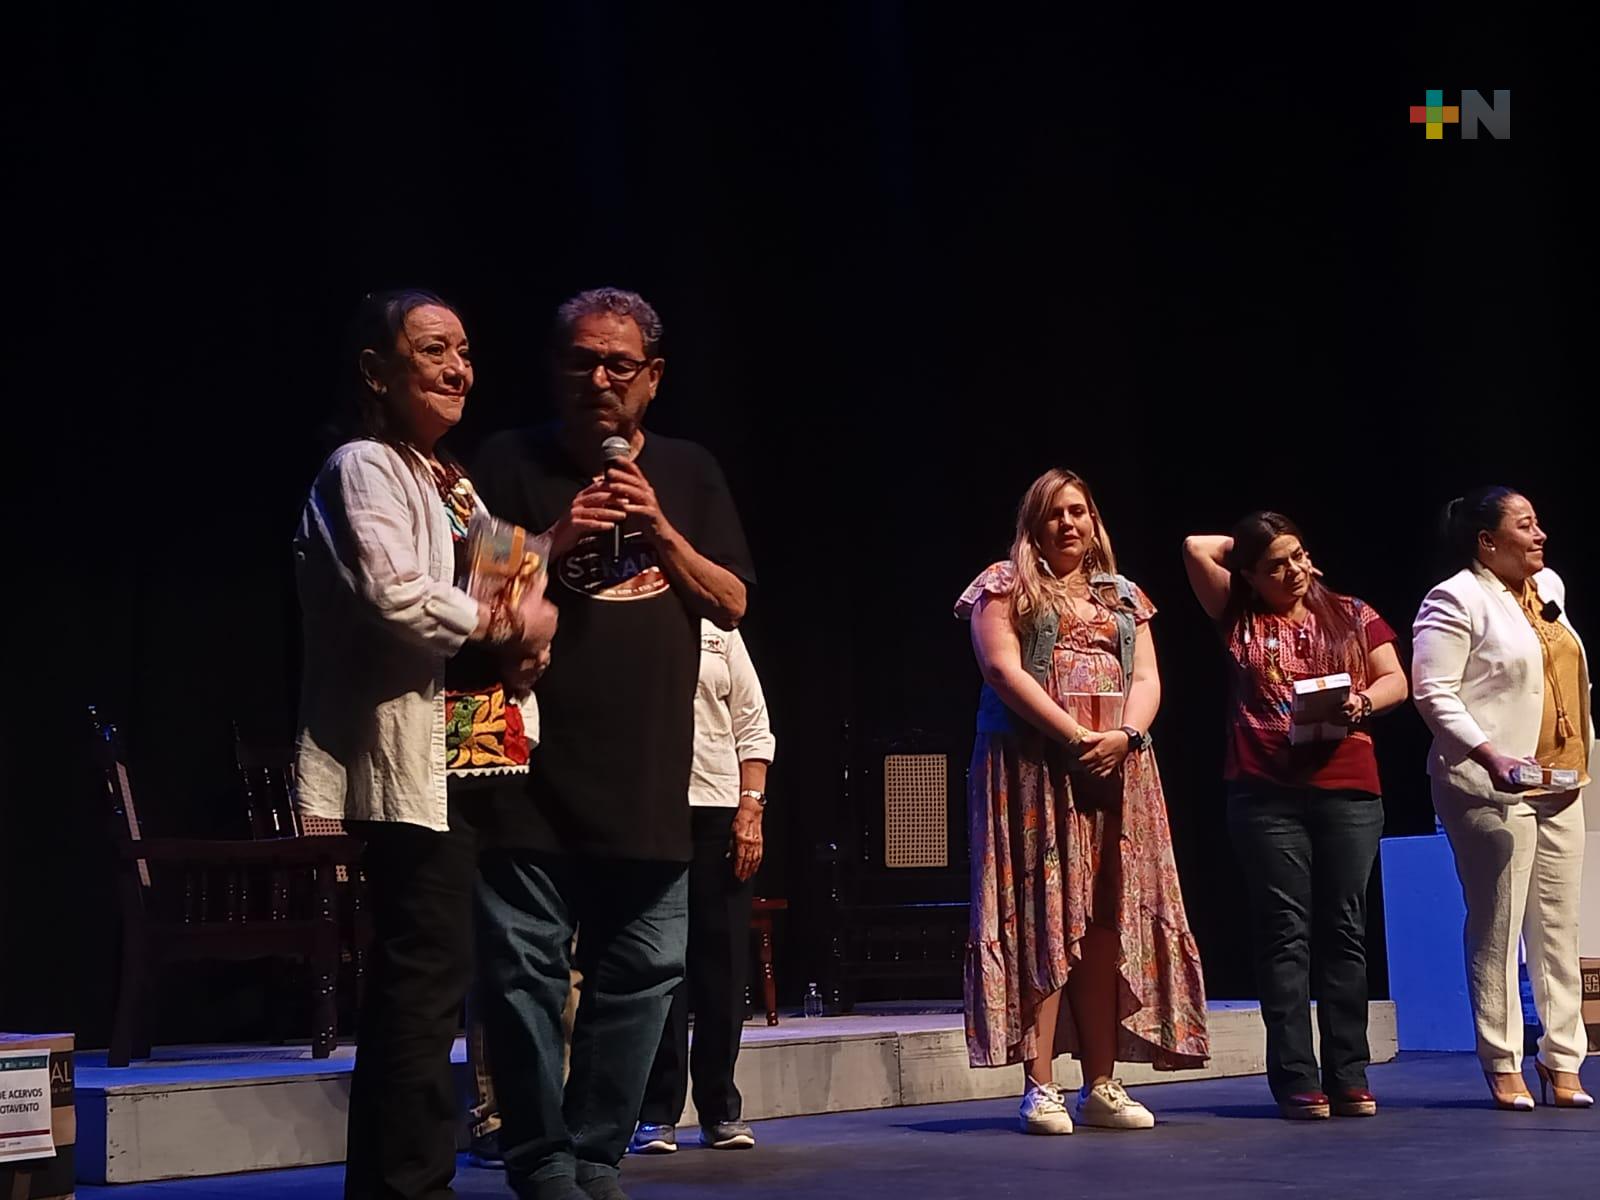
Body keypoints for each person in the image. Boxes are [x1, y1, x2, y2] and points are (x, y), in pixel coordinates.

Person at [471, 287, 755, 1200]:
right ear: (555, 369)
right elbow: (476, 610)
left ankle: (594, 1155)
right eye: (580, 361)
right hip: (525, 768)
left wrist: (658, 526)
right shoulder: (507, 459)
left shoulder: (689, 468)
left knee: (644, 975)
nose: (599, 378)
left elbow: (731, 601)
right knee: (523, 980)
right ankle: (539, 1158)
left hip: (648, 772)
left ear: (653, 378)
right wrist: (555, 538)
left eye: (618, 364)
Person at [294, 289, 557, 1200]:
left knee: (456, 978)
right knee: (421, 984)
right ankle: (406, 1185)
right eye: (434, 350)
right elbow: (394, 593)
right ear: (377, 370)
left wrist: (526, 636)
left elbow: (520, 590)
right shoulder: (362, 466)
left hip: (481, 757)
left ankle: (409, 1177)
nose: (458, 369)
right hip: (414, 766)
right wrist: (501, 622)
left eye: (466, 352)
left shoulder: (453, 479)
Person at [957, 469, 1209, 1136]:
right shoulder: (1003, 585)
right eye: (1053, 514)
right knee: (1044, 918)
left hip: (1118, 771)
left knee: (1103, 921)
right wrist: (1074, 735)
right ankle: (1040, 1085)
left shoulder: (1124, 597)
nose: (1068, 524)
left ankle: (1102, 1082)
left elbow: (1148, 676)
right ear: (1033, 526)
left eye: (1078, 512)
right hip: (1035, 768)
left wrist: (1123, 737)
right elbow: (1001, 668)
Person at [1182, 514, 1407, 1120]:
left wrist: (1361, 701)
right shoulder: (1240, 615)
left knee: (1344, 930)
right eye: (1277, 564)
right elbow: (1195, 545)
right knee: (1285, 931)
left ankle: (1349, 1073)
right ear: (1250, 575)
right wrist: (1251, 544)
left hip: (1347, 787)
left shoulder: (1352, 612)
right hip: (1264, 792)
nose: (1295, 571)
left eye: (1301, 556)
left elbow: (1395, 680)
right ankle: (1296, 1079)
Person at [1412, 486, 1594, 1110]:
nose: (1540, 534)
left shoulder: (1551, 590)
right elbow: (1434, 693)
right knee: (1499, 925)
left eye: (1539, 522)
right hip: (1491, 785)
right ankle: (1502, 1059)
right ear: (1487, 543)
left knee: (1559, 927)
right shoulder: (1454, 598)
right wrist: (1491, 756)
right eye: (1526, 524)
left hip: (1560, 782)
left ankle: (1563, 1059)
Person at [630, 620, 775, 1154]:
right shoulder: (629, 620)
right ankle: (655, 1111)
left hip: (719, 808)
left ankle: (720, 1109)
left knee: (722, 963)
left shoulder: (722, 631)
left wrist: (751, 807)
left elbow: (754, 724)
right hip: (650, 809)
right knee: (658, 962)